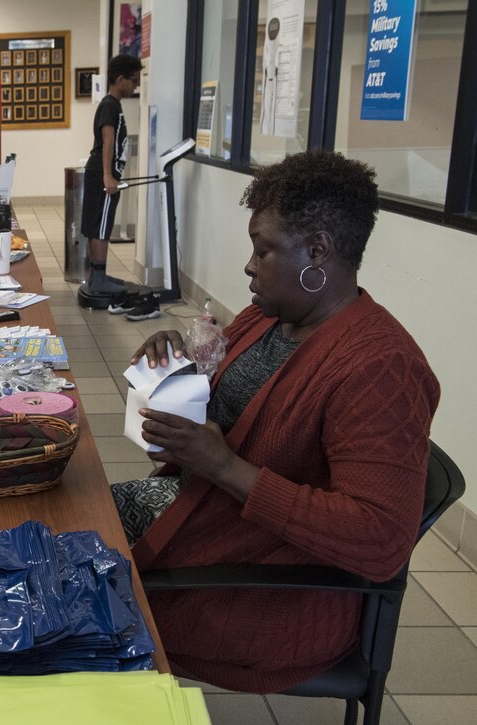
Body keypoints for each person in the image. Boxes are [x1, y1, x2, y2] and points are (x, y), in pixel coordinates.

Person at [116, 150, 440, 693]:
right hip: (206, 521)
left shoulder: (380, 368)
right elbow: (225, 426)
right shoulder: (267, 320)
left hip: (262, 590)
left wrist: (223, 467)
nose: (248, 266)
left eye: (262, 250)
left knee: (70, 590)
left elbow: (382, 539)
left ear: (318, 251)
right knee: (61, 527)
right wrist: (172, 379)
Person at [76, 55, 141, 308]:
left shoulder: (113, 104)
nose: (135, 86)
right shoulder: (110, 106)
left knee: (98, 225)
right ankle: (99, 278)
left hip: (103, 173)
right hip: (103, 174)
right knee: (101, 227)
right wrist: (107, 175)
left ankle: (97, 275)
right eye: (133, 81)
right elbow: (107, 140)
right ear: (120, 79)